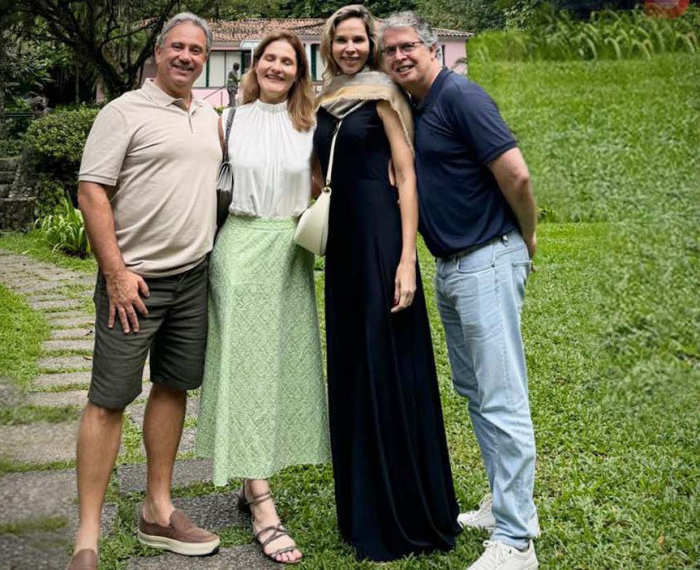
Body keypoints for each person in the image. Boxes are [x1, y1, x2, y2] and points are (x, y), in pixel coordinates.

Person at [382, 11, 541, 570]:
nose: (399, 57)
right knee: (475, 392)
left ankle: (518, 542)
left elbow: (516, 175)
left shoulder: (461, 97)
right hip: (452, 268)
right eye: (390, 52)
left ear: (432, 49)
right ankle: (505, 506)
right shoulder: (418, 109)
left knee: (501, 398)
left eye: (407, 47)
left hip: (487, 260)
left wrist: (528, 234)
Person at [68, 13, 221, 570]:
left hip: (193, 276)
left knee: (174, 387)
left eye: (196, 50)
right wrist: (114, 271)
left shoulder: (208, 116)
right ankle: (87, 537)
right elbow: (91, 191)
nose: (186, 56)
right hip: (133, 282)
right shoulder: (123, 111)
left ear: (205, 58)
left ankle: (158, 508)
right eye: (177, 47)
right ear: (158, 53)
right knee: (108, 399)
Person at [313, 5, 461, 563]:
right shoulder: (324, 97)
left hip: (380, 241)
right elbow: (320, 171)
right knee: (353, 368)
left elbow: (407, 175)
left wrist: (406, 260)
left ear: (369, 45)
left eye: (359, 40)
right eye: (341, 40)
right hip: (343, 249)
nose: (351, 48)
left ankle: (406, 511)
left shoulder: (383, 94)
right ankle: (362, 510)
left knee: (386, 365)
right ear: (329, 45)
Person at [196, 30, 330, 565]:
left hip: (290, 251)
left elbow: (324, 183)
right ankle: (263, 505)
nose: (277, 67)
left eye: (288, 61)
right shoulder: (226, 119)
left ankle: (251, 478)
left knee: (280, 369)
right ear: (256, 65)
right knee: (246, 370)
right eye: (269, 59)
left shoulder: (313, 122)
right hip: (241, 246)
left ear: (299, 70)